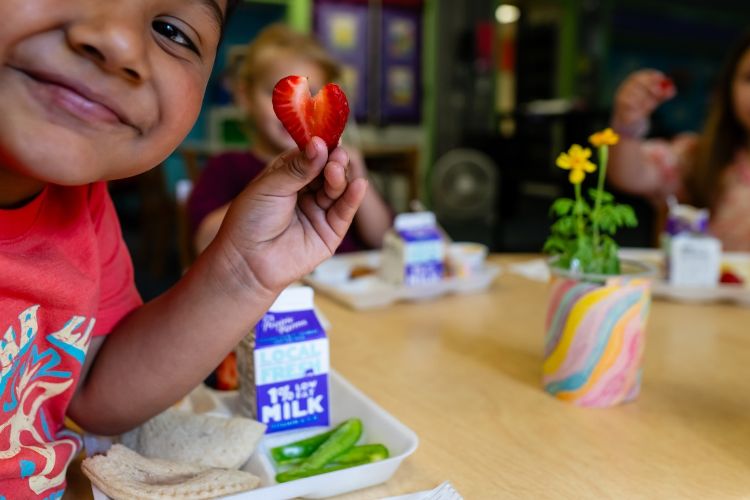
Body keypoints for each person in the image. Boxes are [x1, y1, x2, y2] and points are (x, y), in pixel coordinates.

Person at [0, 1, 366, 497]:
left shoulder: (83, 202)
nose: (119, 44)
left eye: (171, 30)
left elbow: (93, 388)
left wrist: (244, 272)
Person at [188, 23, 392, 255]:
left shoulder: (336, 170)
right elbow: (204, 242)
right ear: (244, 96)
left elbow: (383, 238)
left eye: (312, 94)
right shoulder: (226, 167)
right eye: (277, 91)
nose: (300, 108)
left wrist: (358, 175)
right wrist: (269, 187)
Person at [607, 31, 750, 250]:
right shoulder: (695, 157)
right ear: (728, 87)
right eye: (749, 78)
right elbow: (630, 176)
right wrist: (628, 123)